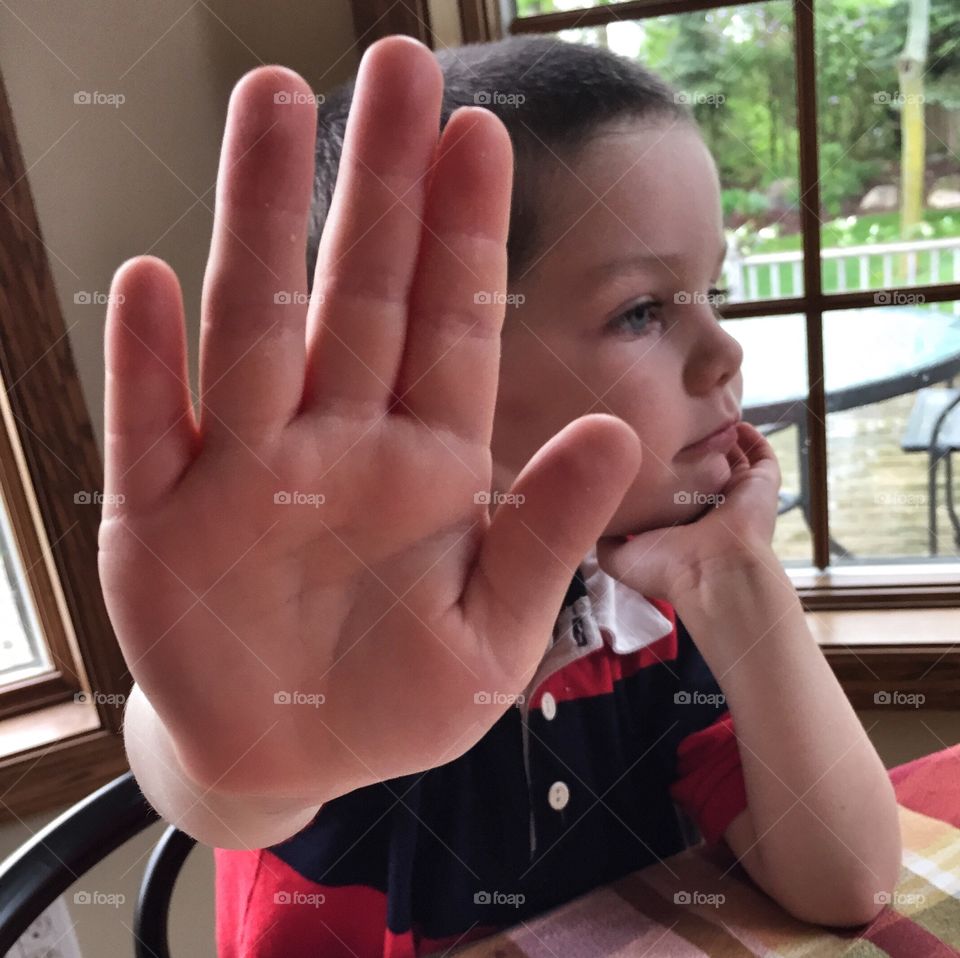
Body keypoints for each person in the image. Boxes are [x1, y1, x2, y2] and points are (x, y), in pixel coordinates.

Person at [102, 31, 902, 958]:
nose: (727, 353)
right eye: (642, 310)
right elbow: (218, 772)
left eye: (710, 291)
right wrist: (248, 739)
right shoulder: (327, 615)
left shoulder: (650, 618)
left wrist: (738, 577)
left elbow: (850, 880)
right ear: (426, 369)